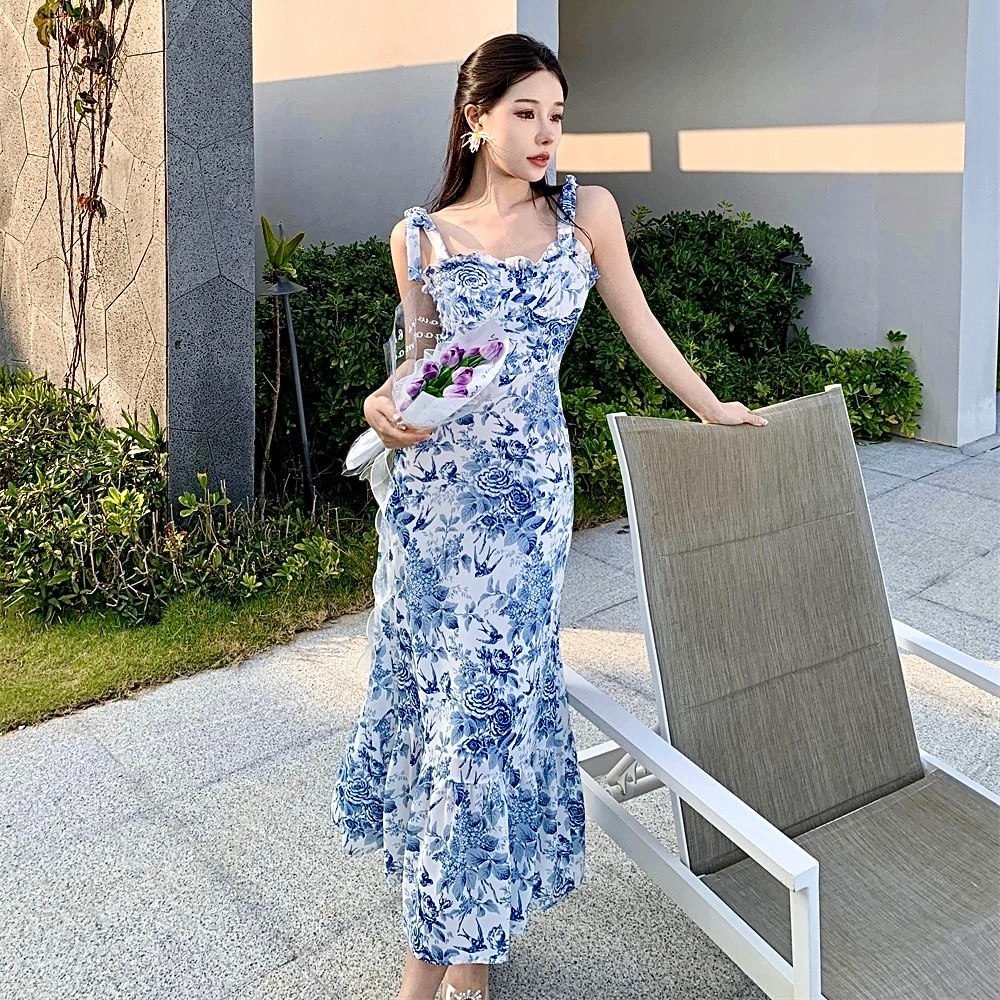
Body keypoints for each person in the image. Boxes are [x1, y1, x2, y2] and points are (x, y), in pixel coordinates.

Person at [331, 32, 767, 1000]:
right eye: (524, 113)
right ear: (474, 118)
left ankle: (429, 971)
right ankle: (469, 947)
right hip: (433, 509)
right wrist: (379, 402)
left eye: (556, 116)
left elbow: (641, 323)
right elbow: (423, 368)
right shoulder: (420, 237)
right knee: (445, 710)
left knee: (488, 710)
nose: (544, 135)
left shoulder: (585, 214)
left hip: (526, 505)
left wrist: (712, 407)